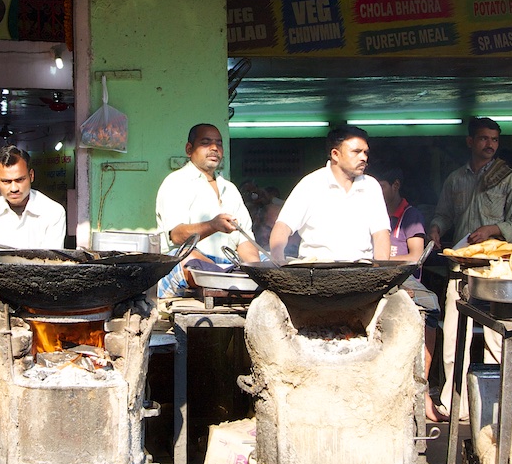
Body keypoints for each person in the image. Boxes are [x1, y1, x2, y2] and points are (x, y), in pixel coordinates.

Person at [428, 117, 512, 419]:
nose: (490, 145)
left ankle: (495, 403)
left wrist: (492, 229)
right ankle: (453, 399)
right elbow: (444, 213)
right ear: (470, 142)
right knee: (455, 336)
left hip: (495, 268)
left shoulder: (507, 177)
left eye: (495, 140)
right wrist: (435, 227)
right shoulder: (456, 179)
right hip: (461, 267)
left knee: (497, 337)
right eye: (484, 139)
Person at [156, 123, 260, 298]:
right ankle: (228, 280)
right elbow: (177, 235)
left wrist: (257, 272)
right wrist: (213, 225)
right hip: (198, 266)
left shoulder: (230, 189)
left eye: (218, 144)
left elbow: (244, 239)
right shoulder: (176, 182)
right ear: (189, 149)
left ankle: (234, 281)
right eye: (206, 142)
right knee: (185, 258)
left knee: (268, 263)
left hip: (231, 266)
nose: (214, 148)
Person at [0, 145, 66, 304]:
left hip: (36, 296)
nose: (14, 188)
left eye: (20, 180)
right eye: (6, 181)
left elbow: (51, 269)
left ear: (31, 176)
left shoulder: (53, 212)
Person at [380, 167, 446, 422]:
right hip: (374, 275)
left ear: (396, 185)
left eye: (381, 185)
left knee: (430, 305)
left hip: (402, 276)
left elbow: (416, 256)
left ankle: (422, 389)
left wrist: (384, 261)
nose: (376, 191)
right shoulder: (367, 211)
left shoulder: (410, 216)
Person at [270, 125, 391, 262]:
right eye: (356, 152)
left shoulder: (371, 186)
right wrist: (279, 262)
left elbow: (381, 234)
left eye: (365, 152)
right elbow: (283, 227)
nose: (363, 157)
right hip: (315, 272)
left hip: (361, 272)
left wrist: (382, 271)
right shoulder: (310, 184)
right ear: (335, 154)